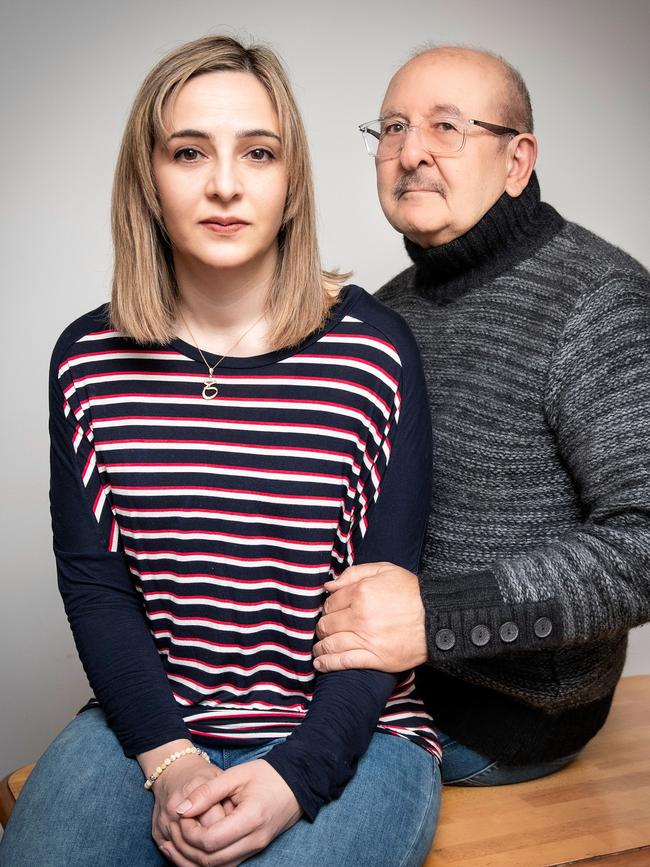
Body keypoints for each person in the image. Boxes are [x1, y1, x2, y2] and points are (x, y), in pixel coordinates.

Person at [0, 36, 441, 866]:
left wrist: (295, 776)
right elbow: (98, 590)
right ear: (148, 176)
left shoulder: (373, 353)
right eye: (190, 151)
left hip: (350, 732)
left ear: (290, 180)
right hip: (150, 726)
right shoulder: (88, 359)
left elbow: (383, 609)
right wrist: (169, 762)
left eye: (259, 152)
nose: (226, 183)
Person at [313, 45, 650, 787]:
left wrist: (439, 614)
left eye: (446, 127)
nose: (411, 153)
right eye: (393, 128)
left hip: (508, 712)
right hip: (369, 671)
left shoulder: (599, 302)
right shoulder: (384, 308)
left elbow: (645, 544)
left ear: (517, 161)